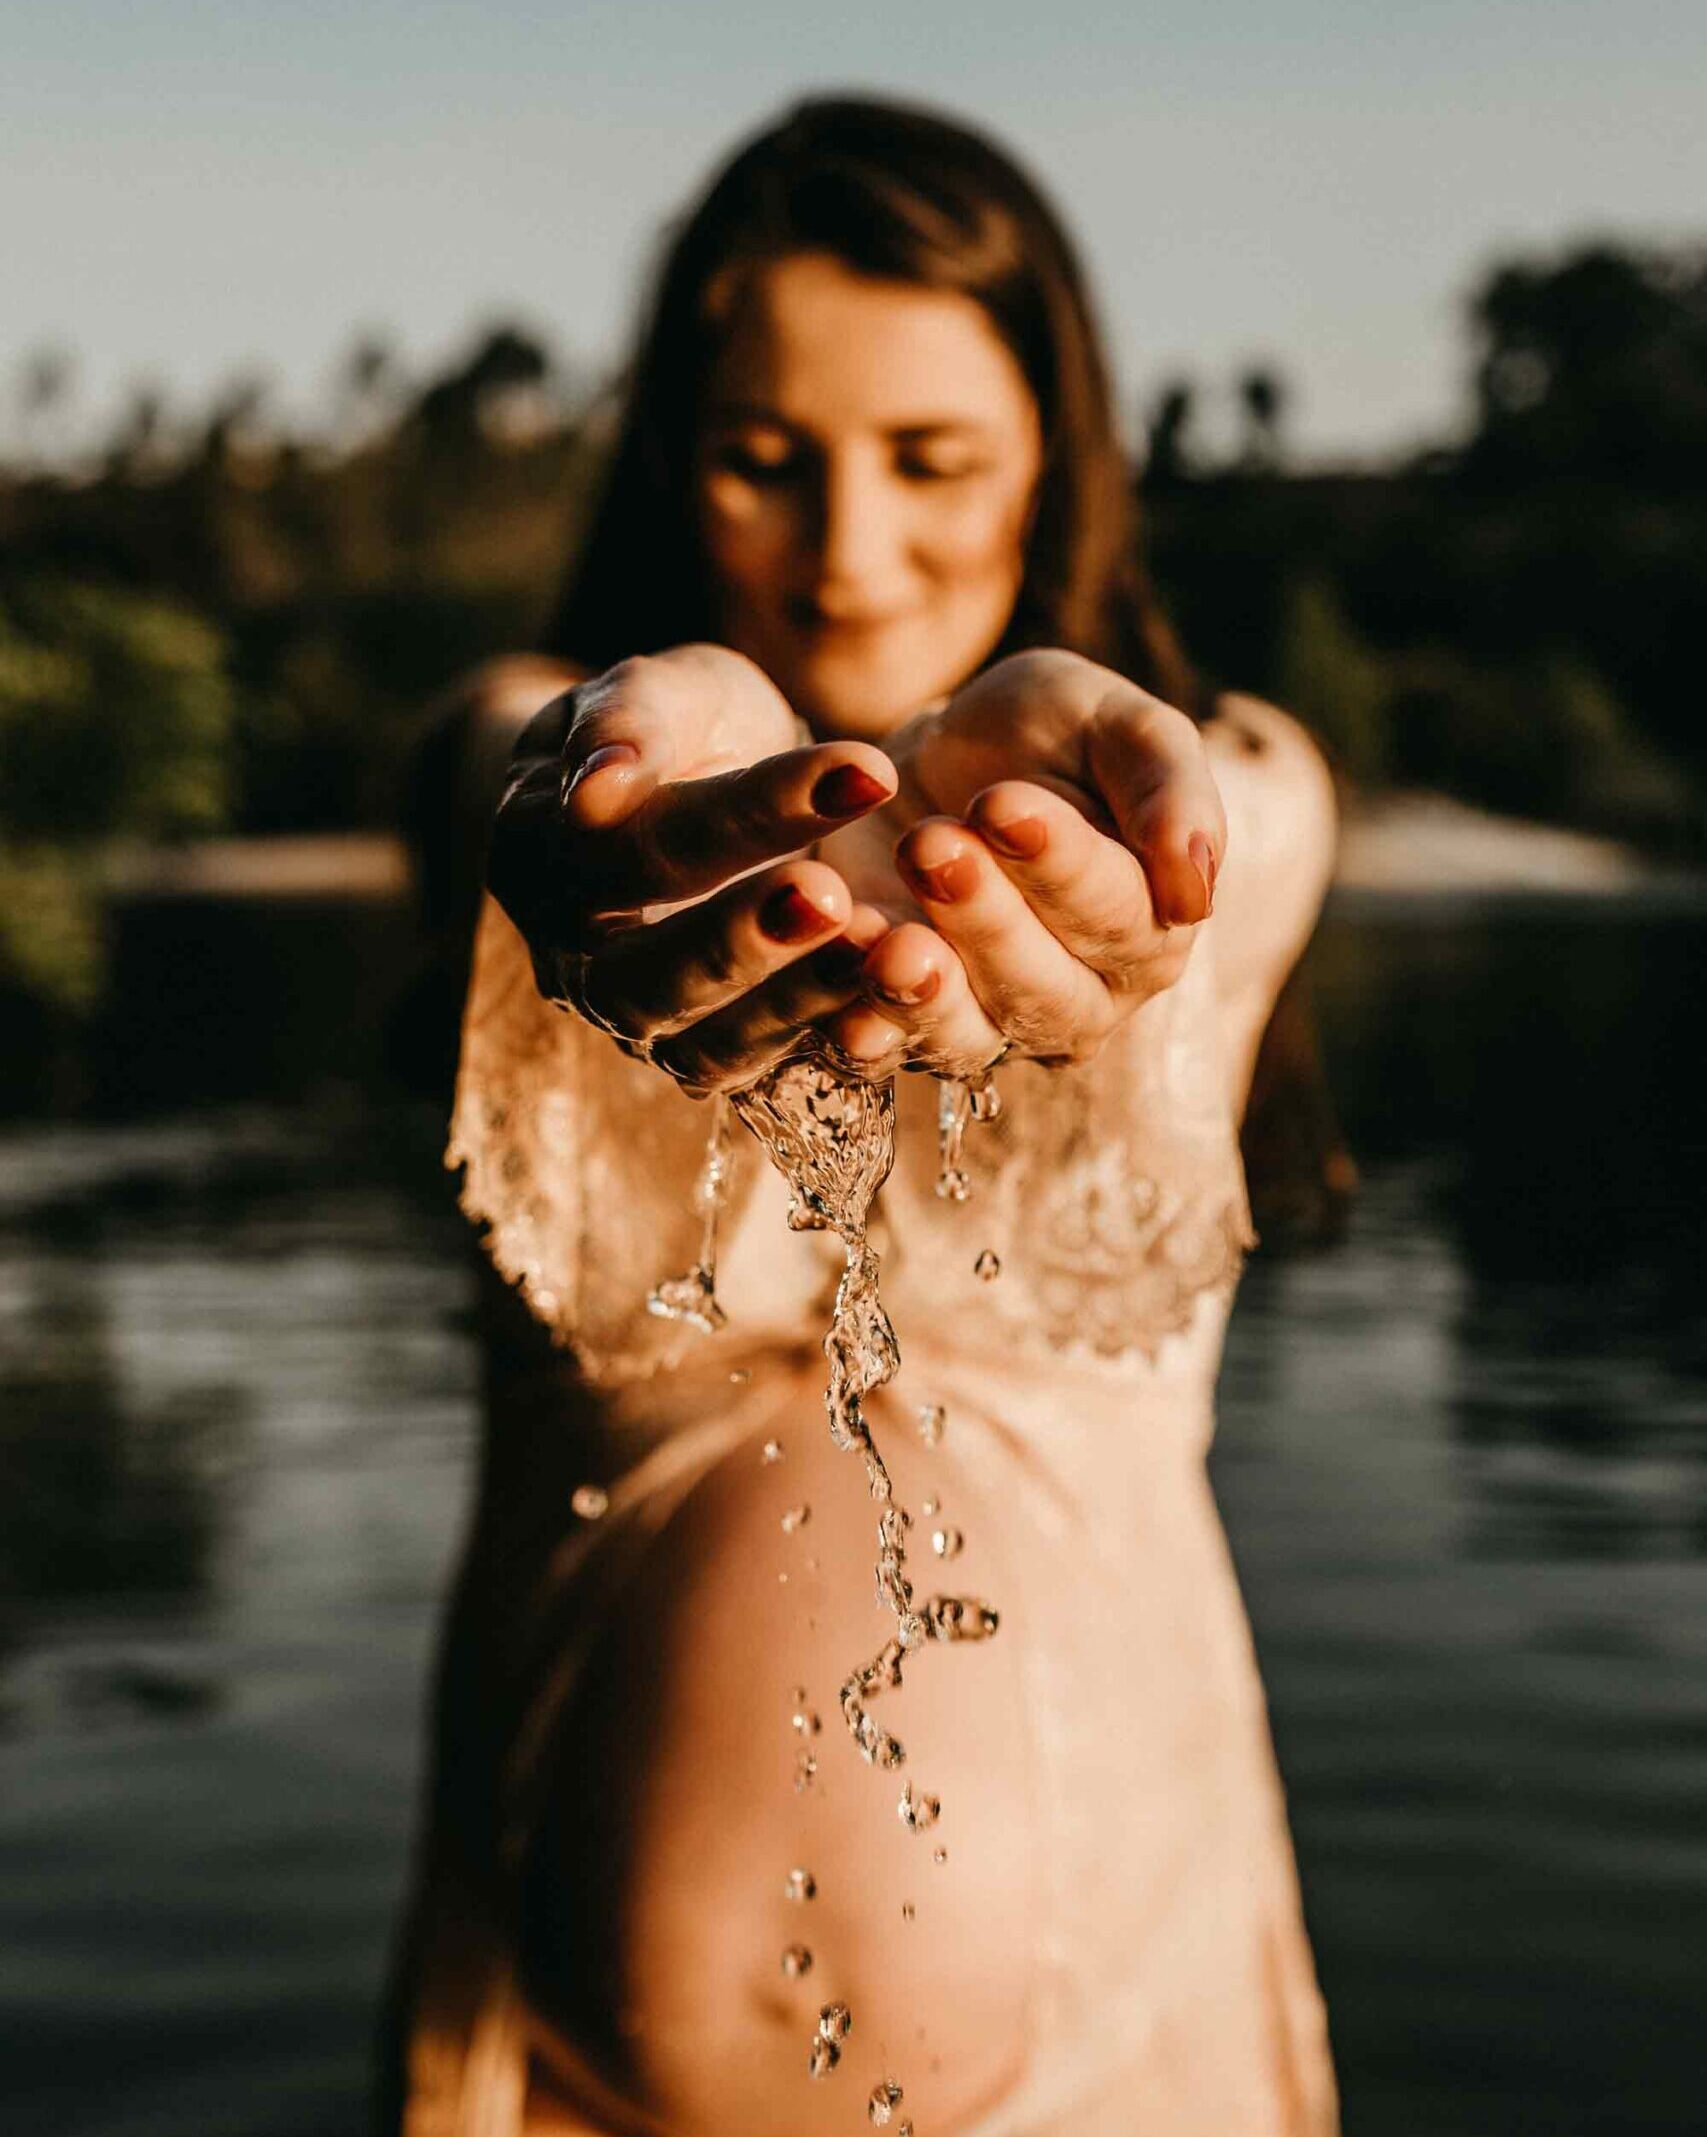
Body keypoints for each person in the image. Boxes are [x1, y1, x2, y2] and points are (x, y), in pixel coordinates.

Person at [384, 95, 1340, 2137]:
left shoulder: (1239, 804)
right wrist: (597, 790)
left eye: (930, 461)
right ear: (671, 462)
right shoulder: (521, 767)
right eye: (763, 458)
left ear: (1049, 464)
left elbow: (1231, 820)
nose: (844, 548)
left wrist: (1127, 839)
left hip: (1122, 2071)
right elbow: (498, 761)